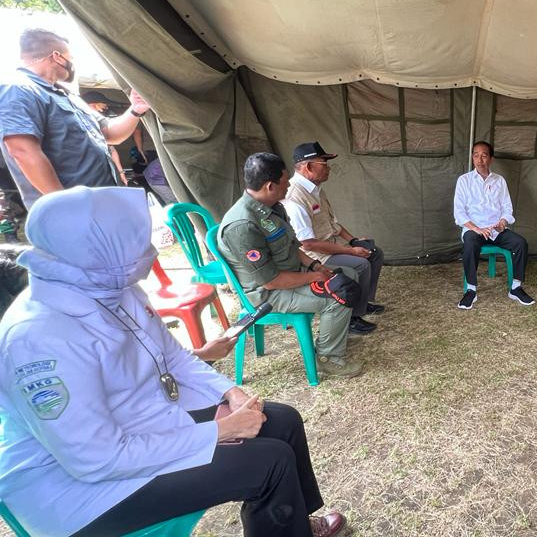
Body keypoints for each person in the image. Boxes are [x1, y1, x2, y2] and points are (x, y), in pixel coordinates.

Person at [0, 187, 348, 537]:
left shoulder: (113, 288)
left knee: (281, 420)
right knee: (269, 462)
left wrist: (231, 393)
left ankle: (291, 525)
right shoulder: (37, 337)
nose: (149, 253)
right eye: (132, 244)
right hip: (81, 492)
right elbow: (96, 459)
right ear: (94, 250)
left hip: (139, 425)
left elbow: (173, 357)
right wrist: (218, 432)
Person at [218, 152, 361, 378]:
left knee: (349, 274)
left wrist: (315, 266)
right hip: (268, 294)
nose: (288, 187)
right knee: (338, 295)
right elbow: (271, 281)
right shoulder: (242, 225)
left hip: (291, 274)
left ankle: (333, 337)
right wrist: (316, 278)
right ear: (269, 186)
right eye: (285, 183)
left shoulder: (273, 207)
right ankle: (327, 358)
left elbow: (292, 246)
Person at [0, 29, 151, 208]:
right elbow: (22, 151)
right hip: (72, 210)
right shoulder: (18, 89)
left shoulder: (67, 95)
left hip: (101, 200)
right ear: (57, 57)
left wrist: (136, 109)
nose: (72, 63)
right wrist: (67, 206)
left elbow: (110, 134)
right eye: (70, 57)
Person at [283, 141, 383, 334]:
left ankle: (362, 303)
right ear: (309, 166)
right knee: (360, 264)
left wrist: (353, 240)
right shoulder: (295, 198)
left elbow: (333, 223)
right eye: (324, 163)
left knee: (374, 253)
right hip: (315, 256)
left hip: (331, 245)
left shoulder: (315, 188)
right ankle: (352, 317)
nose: (328, 168)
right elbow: (308, 244)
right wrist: (350, 250)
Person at [453, 140, 535, 309]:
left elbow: (507, 207)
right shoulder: (464, 180)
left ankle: (516, 287)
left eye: (484, 155)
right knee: (470, 243)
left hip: (496, 230)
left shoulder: (499, 181)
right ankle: (471, 290)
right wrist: (476, 228)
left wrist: (503, 222)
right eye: (476, 155)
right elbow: (459, 212)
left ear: (491, 159)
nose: (479, 159)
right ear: (472, 158)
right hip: (474, 229)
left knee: (520, 243)